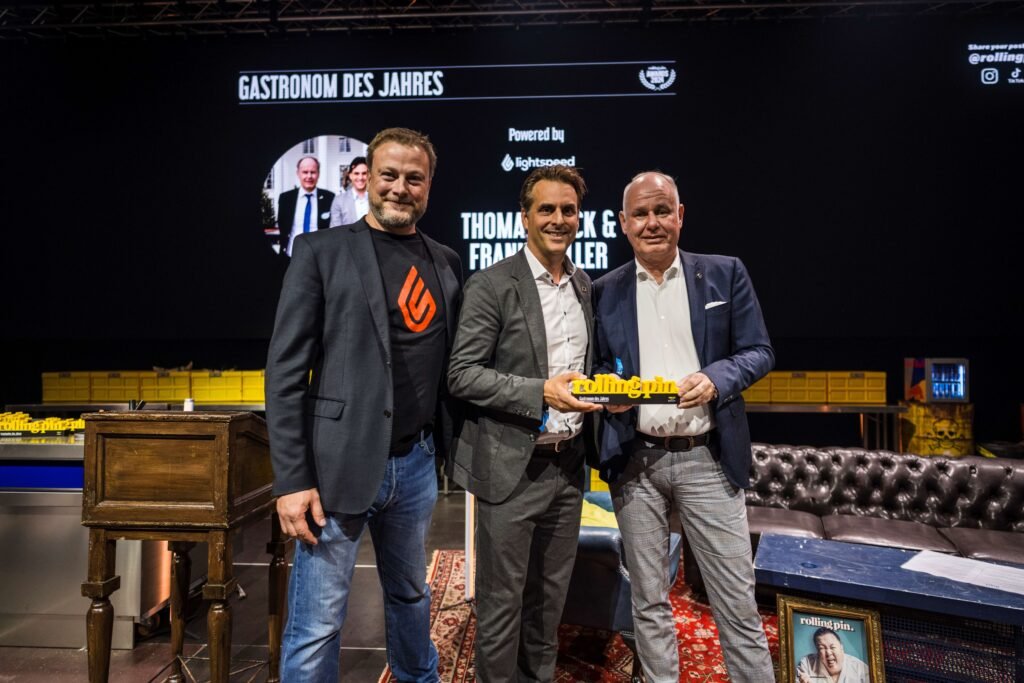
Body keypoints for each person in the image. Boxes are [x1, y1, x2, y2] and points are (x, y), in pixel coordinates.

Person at [265, 127, 462, 682]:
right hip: (334, 471)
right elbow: (283, 374)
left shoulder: (445, 262)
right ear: (366, 179)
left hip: (416, 466)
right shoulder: (320, 252)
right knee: (317, 624)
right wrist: (291, 480)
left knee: (410, 597)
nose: (400, 188)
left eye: (414, 178)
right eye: (389, 175)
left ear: (428, 187)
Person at [592, 171, 775, 682]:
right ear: (623, 224)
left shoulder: (725, 273)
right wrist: (610, 391)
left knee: (736, 599)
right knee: (647, 600)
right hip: (636, 461)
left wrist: (717, 379)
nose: (653, 223)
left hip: (707, 456)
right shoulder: (603, 291)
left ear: (680, 215)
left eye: (662, 211)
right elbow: (604, 366)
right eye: (641, 215)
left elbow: (760, 351)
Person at [447, 165, 600, 682]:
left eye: (569, 210)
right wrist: (540, 392)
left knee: (548, 606)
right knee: (501, 608)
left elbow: (586, 372)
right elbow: (462, 374)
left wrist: (608, 395)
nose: (559, 219)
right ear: (524, 217)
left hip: (567, 468)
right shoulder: (491, 285)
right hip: (510, 468)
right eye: (547, 209)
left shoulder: (584, 286)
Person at [276, 156, 336, 256]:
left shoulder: (329, 198)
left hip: (320, 257)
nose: (309, 176)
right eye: (305, 172)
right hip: (291, 256)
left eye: (313, 172)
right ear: (298, 174)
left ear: (318, 174)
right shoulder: (285, 198)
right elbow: (282, 227)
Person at [796, 627, 869, 683]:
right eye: (822, 648)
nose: (828, 653)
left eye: (832, 647)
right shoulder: (807, 664)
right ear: (817, 651)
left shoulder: (859, 668)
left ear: (841, 647)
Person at [330, 155, 370, 227]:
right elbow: (335, 230)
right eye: (356, 173)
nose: (360, 177)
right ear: (350, 175)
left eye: (364, 173)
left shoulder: (376, 198)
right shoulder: (339, 201)